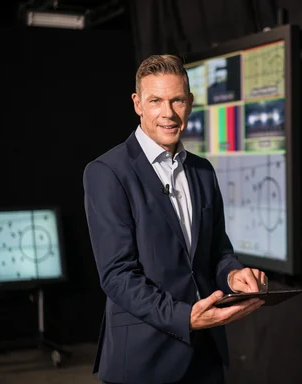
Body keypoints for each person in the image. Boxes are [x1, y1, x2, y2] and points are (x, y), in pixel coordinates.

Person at [83, 54, 268, 384]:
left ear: (190, 103)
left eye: (177, 100)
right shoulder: (107, 172)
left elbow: (217, 254)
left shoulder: (203, 170)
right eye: (156, 101)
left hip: (205, 356)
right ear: (138, 103)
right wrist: (186, 317)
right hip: (142, 361)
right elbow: (117, 275)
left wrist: (235, 274)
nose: (168, 113)